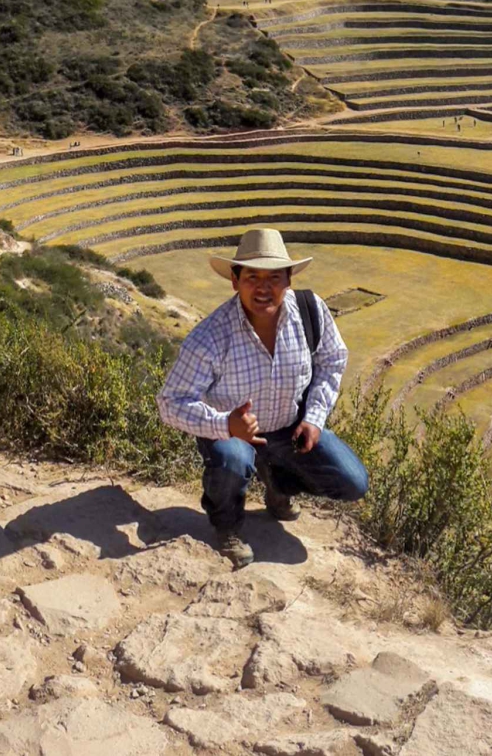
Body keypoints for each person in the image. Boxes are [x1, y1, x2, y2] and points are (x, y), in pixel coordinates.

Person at [157, 228, 368, 568]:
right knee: (231, 460)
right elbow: (170, 402)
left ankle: (278, 486)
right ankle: (227, 526)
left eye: (274, 277)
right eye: (252, 277)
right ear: (234, 281)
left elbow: (332, 361)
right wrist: (223, 424)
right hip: (231, 435)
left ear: (288, 281)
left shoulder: (311, 311)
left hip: (290, 429)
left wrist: (314, 418)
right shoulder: (211, 336)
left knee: (353, 482)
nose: (263, 287)